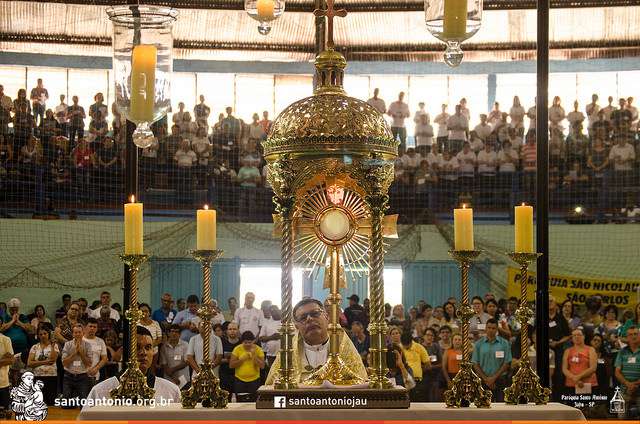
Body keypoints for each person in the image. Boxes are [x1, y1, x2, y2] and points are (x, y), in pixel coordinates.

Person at [265, 298, 367, 384]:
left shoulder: (343, 345)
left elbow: (360, 381)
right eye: (303, 317)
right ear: (296, 326)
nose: (309, 319)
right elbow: (272, 388)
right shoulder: (289, 352)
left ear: (326, 317)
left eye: (315, 314)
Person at [83, 327, 180, 411]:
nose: (143, 352)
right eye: (137, 347)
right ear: (124, 352)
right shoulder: (101, 391)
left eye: (148, 347)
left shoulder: (171, 391)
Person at [472, 319, 512, 402]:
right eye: (489, 327)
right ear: (485, 328)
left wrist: (493, 378)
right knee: (482, 407)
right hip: (483, 380)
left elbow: (507, 363)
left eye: (493, 328)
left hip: (500, 379)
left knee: (501, 406)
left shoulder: (504, 343)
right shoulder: (478, 344)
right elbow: (475, 363)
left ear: (497, 329)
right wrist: (486, 379)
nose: (491, 330)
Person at [61, 323, 92, 407]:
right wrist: (74, 353)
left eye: (79, 332)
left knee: (83, 405)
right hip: (68, 376)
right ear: (73, 334)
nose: (77, 334)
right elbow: (64, 363)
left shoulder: (88, 345)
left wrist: (81, 353)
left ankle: (76, 400)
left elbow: (89, 363)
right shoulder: (67, 345)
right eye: (75, 332)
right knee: (65, 405)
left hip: (82, 376)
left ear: (83, 333)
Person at [26, 324, 57, 405]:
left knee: (51, 401)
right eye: (41, 334)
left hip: (51, 376)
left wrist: (53, 347)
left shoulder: (54, 346)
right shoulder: (34, 347)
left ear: (48, 334)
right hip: (38, 376)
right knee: (39, 402)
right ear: (38, 336)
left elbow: (53, 360)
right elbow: (29, 363)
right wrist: (46, 362)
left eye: (45, 333)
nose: (43, 336)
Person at [230, 331, 265, 402]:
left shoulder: (258, 349)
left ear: (253, 341)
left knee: (254, 403)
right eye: (245, 342)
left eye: (250, 342)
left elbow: (262, 366)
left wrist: (254, 356)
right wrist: (242, 359)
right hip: (240, 380)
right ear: (242, 342)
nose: (248, 344)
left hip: (254, 380)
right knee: (240, 402)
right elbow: (231, 365)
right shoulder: (237, 349)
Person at [562, 328, 597, 396]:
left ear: (584, 336)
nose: (576, 337)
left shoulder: (591, 349)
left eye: (579, 335)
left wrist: (578, 377)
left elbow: (593, 368)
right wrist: (574, 378)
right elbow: (564, 369)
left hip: (588, 383)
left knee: (586, 405)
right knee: (571, 405)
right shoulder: (567, 351)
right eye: (574, 335)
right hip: (571, 383)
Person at [614, 325, 639, 418]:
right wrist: (628, 384)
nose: (633, 336)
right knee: (621, 417)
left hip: (639, 389)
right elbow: (617, 372)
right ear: (627, 337)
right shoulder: (622, 352)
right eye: (630, 334)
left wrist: (635, 384)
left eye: (636, 334)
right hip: (624, 390)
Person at [0, 298, 33, 362]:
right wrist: (12, 321)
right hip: (8, 349)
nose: (14, 312)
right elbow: (1, 329)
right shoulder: (5, 317)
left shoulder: (23, 317)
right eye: (12, 310)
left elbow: (29, 329)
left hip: (22, 348)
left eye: (16, 310)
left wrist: (18, 321)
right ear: (9, 309)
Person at [400, 331, 429, 401]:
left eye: (407, 345)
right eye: (404, 345)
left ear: (411, 342)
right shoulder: (399, 348)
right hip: (403, 379)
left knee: (417, 401)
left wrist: (419, 370)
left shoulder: (419, 347)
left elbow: (427, 363)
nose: (405, 347)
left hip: (417, 379)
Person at [159, 324, 189, 388]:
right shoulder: (164, 347)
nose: (174, 334)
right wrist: (173, 377)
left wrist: (172, 370)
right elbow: (164, 364)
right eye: (172, 331)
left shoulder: (185, 345)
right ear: (168, 333)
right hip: (168, 379)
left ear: (180, 334)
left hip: (183, 379)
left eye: (177, 332)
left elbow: (186, 362)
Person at [219, 321, 240, 399]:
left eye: (234, 329)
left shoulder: (241, 344)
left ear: (238, 331)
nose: (232, 331)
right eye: (230, 329)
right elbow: (217, 359)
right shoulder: (222, 343)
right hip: (225, 375)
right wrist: (229, 360)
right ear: (227, 331)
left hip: (238, 375)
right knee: (225, 399)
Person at [258, 305, 281, 373]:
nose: (274, 312)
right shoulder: (266, 323)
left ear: (279, 310)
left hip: (283, 354)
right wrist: (272, 337)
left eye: (275, 310)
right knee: (270, 373)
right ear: (270, 313)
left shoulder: (285, 322)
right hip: (270, 355)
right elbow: (261, 338)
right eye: (272, 311)